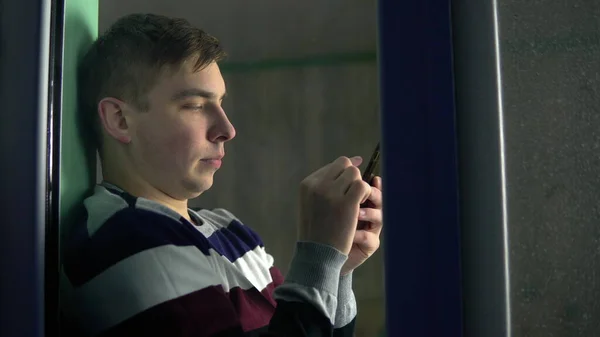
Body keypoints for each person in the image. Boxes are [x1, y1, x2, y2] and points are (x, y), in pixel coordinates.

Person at [60, 13, 384, 337]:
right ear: (119, 120)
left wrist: (336, 268)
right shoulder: (127, 236)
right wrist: (318, 254)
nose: (226, 130)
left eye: (220, 103)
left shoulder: (230, 230)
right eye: (195, 105)